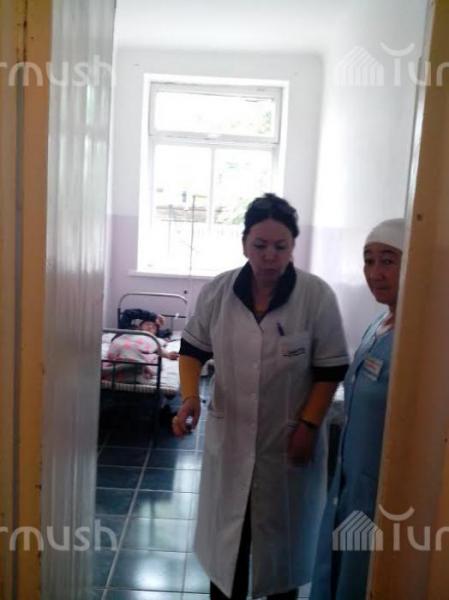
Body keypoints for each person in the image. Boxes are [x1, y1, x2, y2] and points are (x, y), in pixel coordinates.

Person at [172, 193, 349, 600]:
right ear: (244, 244)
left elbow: (330, 369)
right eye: (260, 245)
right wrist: (190, 397)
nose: (270, 256)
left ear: (293, 246)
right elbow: (192, 349)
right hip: (231, 441)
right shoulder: (218, 292)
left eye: (280, 246)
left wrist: (309, 424)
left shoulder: (316, 296)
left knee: (281, 555)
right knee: (228, 553)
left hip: (287, 444)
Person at [310, 218, 406, 600]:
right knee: (335, 568)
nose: (375, 273)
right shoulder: (379, 324)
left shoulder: (416, 338)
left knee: (359, 577)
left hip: (381, 493)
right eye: (369, 260)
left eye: (388, 261)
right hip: (350, 482)